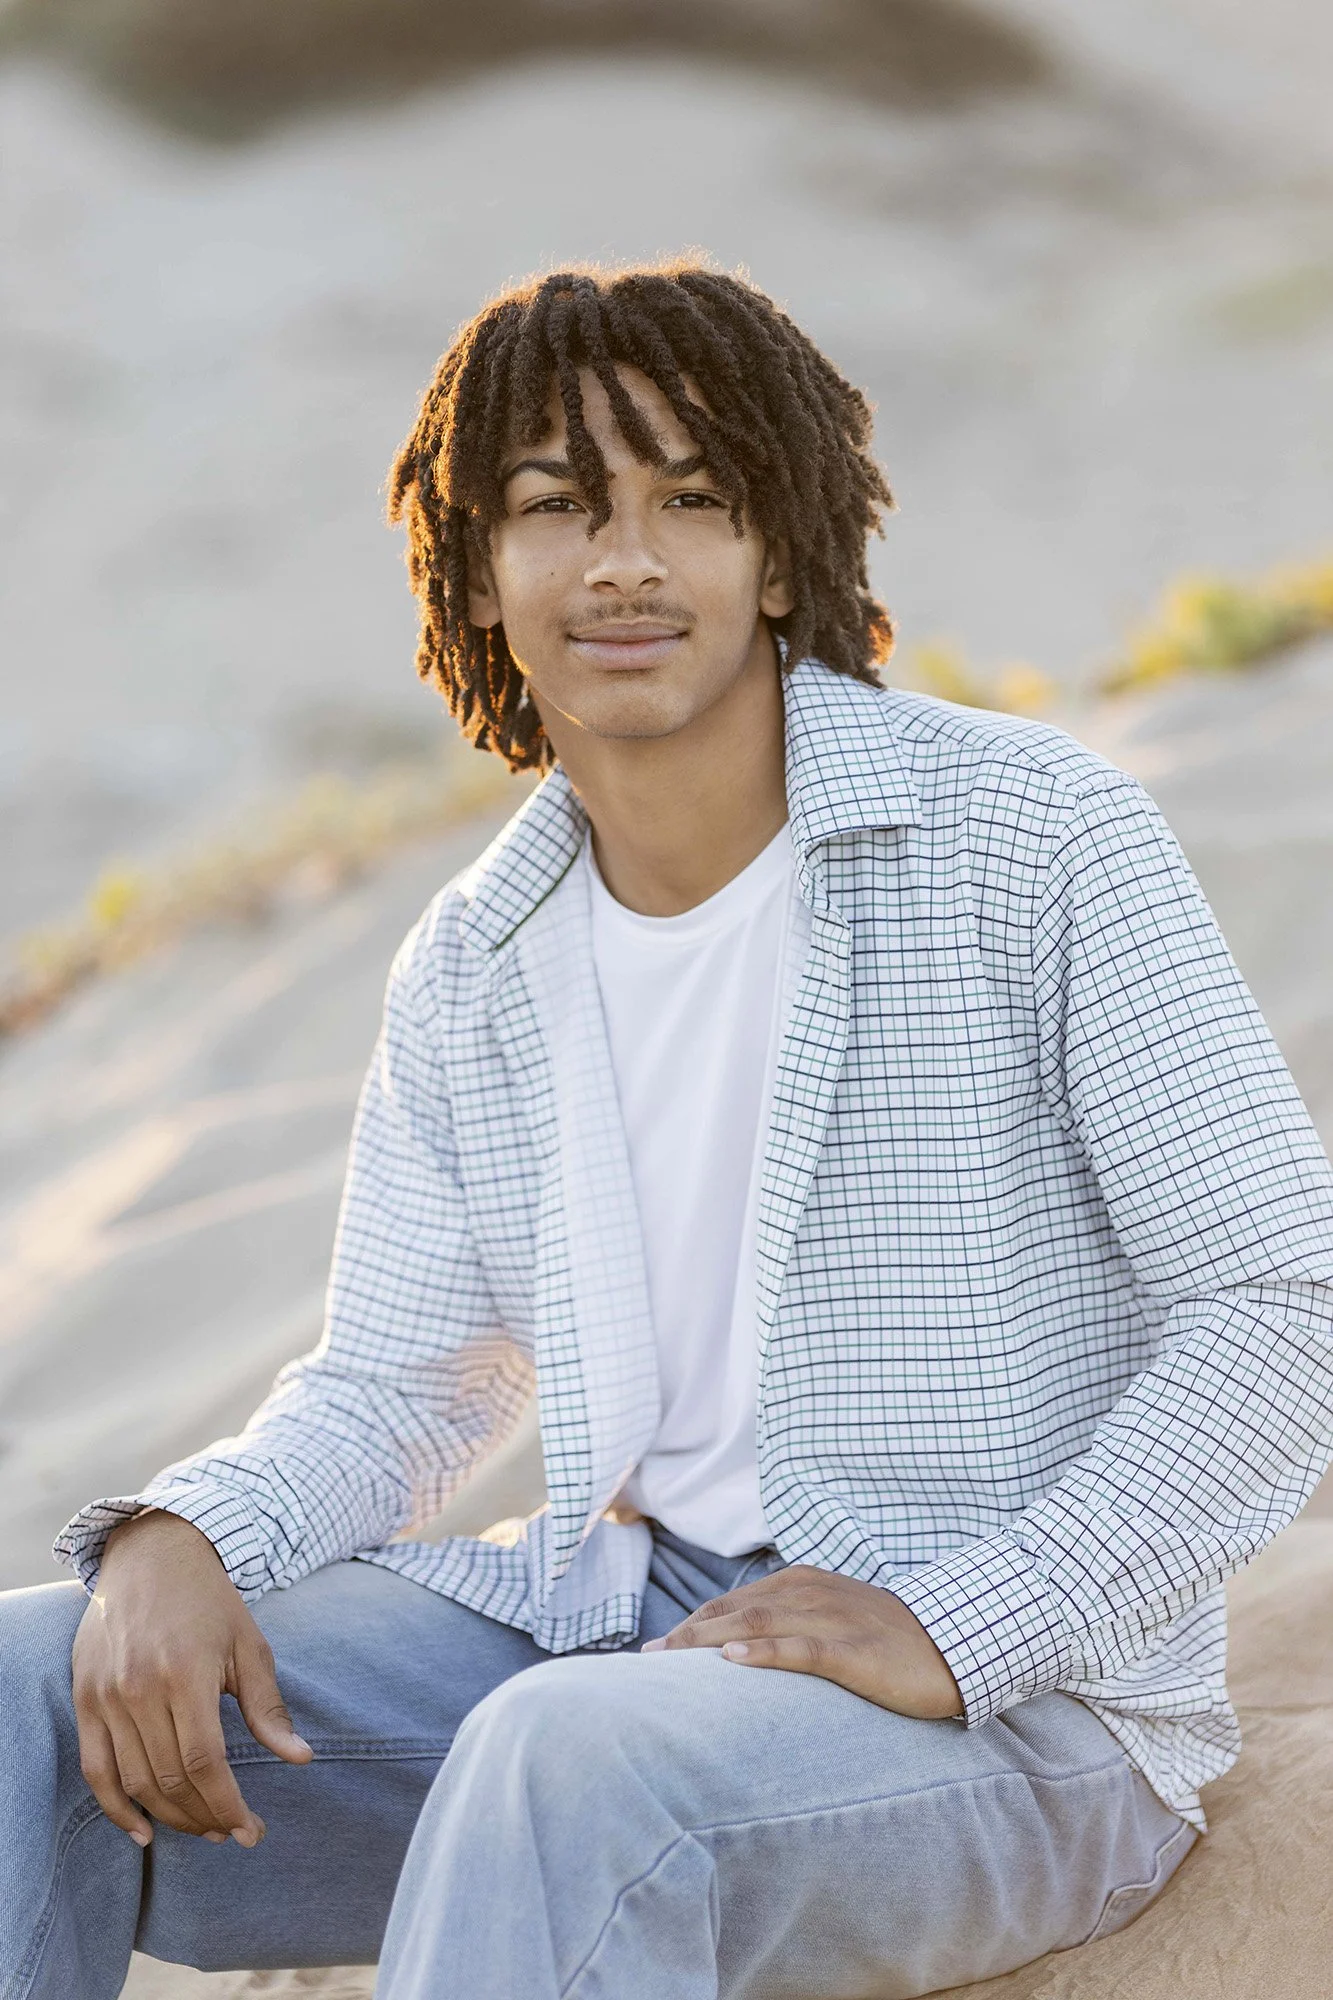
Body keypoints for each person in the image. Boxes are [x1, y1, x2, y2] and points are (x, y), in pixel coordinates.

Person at [3, 262, 1332, 2000]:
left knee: (575, 1760)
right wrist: (184, 1539)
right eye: (556, 507)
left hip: (1027, 1718)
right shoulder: (476, 961)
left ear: (781, 553)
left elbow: (1278, 1313)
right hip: (623, 1626)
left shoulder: (1032, 836)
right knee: (32, 1694)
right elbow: (409, 1389)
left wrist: (971, 1618)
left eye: (691, 502)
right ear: (479, 571)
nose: (623, 561)